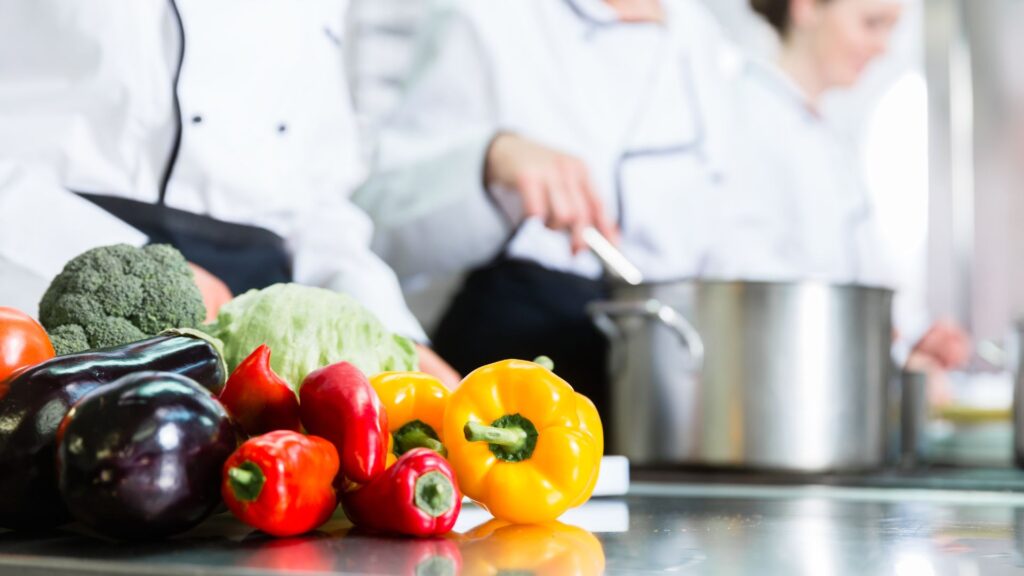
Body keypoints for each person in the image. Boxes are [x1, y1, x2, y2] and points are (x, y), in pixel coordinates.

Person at [0, 0, 458, 385]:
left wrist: (390, 331)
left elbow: (318, 200)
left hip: (255, 328)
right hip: (43, 275)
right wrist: (126, 263)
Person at [356, 0, 742, 418]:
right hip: (514, 365)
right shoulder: (487, 16)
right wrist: (490, 161)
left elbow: (730, 229)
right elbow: (378, 225)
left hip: (668, 375)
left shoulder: (701, 37)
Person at [735, 0, 970, 373]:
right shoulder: (744, 123)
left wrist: (908, 341)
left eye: (890, 29)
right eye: (871, 24)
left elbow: (850, 279)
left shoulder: (827, 136)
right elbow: (762, 300)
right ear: (807, 8)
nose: (884, 46)